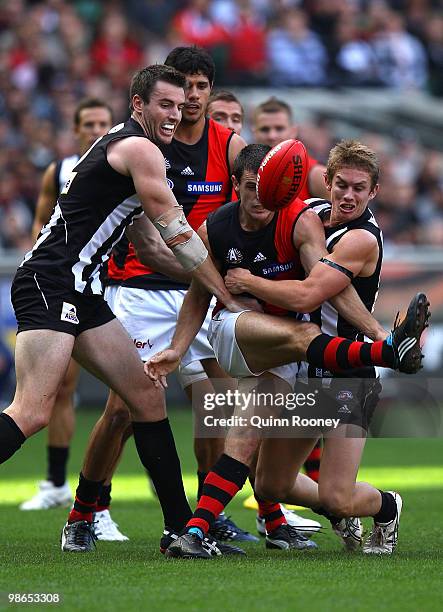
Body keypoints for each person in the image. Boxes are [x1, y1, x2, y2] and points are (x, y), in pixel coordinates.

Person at [0, 64, 242, 556]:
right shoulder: (140, 149)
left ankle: (180, 532)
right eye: (165, 105)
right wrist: (227, 293)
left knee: (147, 400)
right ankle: (121, 519)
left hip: (82, 289)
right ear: (138, 105)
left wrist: (205, 287)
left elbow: (152, 248)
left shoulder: (131, 149)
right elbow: (176, 232)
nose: (176, 114)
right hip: (51, 283)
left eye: (180, 105)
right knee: (32, 411)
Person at [145, 143, 429, 558]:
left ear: (374, 192)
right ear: (327, 183)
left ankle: (386, 505)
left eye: (359, 189)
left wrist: (244, 282)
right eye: (342, 185)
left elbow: (310, 293)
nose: (348, 196)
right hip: (299, 364)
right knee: (271, 485)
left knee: (336, 497)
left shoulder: (361, 238)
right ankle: (388, 350)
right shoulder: (304, 211)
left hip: (346, 375)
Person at [66, 46, 256, 546]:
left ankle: (208, 514)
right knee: (125, 409)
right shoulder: (147, 143)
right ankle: (86, 510)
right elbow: (150, 245)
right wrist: (219, 283)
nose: (189, 99)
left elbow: (255, 203)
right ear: (154, 98)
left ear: (210, 91)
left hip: (200, 292)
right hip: (143, 292)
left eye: (198, 88)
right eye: (180, 90)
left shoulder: (228, 144)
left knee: (220, 402)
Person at [19, 99, 118, 530]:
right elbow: (43, 225)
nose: (95, 129)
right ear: (76, 130)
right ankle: (58, 483)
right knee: (57, 390)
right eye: (88, 123)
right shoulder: (60, 171)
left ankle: (100, 504)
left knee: (131, 397)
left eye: (102, 122)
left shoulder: (119, 166)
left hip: (108, 287)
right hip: (64, 285)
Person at [251, 97, 329, 201]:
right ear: (254, 132)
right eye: (264, 129)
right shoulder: (241, 173)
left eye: (279, 129)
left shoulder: (316, 175)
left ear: (294, 131)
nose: (272, 136)